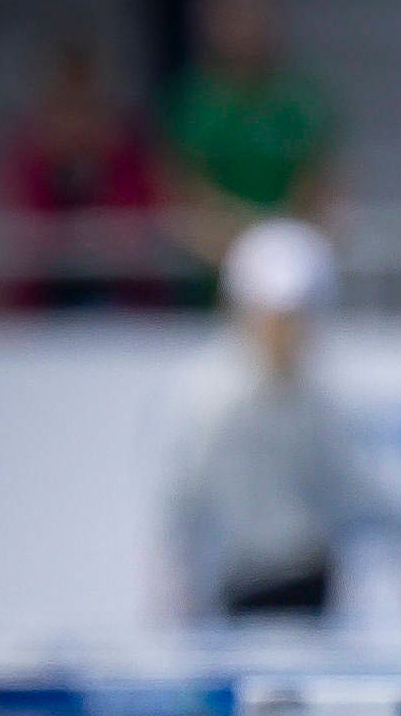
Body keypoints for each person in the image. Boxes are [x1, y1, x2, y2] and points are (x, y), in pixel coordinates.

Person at [164, 218, 387, 617]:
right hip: (241, 585)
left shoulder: (321, 402)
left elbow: (357, 489)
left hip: (313, 582)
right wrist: (178, 585)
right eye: (275, 320)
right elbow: (186, 501)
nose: (286, 334)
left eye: (296, 320)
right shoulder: (212, 403)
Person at [164, 0, 342, 271]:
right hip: (212, 261)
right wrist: (244, 237)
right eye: (235, 21)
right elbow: (181, 190)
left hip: (289, 253)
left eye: (254, 20)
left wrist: (277, 236)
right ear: (212, 28)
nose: (246, 32)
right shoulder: (190, 104)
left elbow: (323, 183)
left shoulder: (300, 102)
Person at [0, 32, 168, 309]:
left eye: (85, 103)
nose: (76, 119)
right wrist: (51, 166)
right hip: (42, 310)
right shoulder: (28, 156)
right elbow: (22, 240)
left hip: (125, 307)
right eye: (65, 103)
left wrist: (105, 164)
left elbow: (138, 233)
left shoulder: (126, 153)